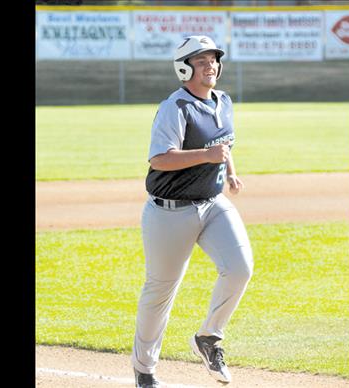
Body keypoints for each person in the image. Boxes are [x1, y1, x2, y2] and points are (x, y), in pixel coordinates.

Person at [131, 35, 254, 388]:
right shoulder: (176, 107)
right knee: (160, 292)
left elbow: (223, 146)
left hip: (213, 203)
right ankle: (144, 370)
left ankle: (209, 337)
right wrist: (207, 156)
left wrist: (230, 172)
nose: (211, 65)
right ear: (184, 68)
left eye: (214, 59)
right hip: (170, 212)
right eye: (202, 61)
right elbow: (159, 159)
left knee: (240, 268)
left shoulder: (224, 101)